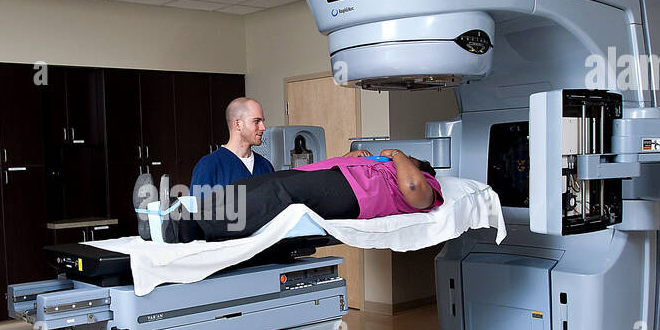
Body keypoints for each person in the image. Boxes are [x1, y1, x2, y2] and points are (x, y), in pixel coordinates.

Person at [142, 148, 443, 243]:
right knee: (261, 182)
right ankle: (168, 216)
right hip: (336, 179)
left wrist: (399, 156)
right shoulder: (386, 169)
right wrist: (353, 157)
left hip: (353, 196)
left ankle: (187, 229)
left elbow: (416, 192)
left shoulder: (425, 181)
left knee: (279, 192)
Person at [190, 97, 275, 206]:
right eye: (256, 121)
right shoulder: (208, 166)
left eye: (262, 121)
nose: (263, 127)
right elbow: (200, 215)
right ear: (238, 124)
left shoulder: (265, 165)